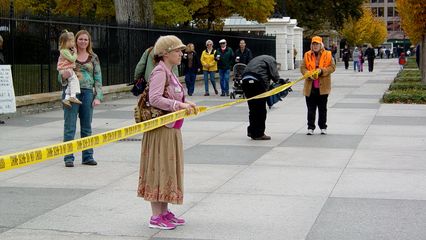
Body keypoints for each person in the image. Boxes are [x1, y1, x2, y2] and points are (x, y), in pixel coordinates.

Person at [137, 35, 197, 230]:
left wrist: (185, 103)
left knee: (168, 169)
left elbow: (171, 96)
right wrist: (177, 104)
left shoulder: (170, 72)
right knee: (158, 168)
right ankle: (156, 217)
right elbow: (154, 99)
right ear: (165, 53)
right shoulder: (159, 72)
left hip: (171, 129)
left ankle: (164, 212)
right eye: (177, 50)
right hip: (160, 132)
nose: (181, 53)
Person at [59, 30, 103, 168]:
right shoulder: (68, 54)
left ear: (89, 42)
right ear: (75, 40)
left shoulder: (94, 57)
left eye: (86, 39)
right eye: (80, 39)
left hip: (88, 93)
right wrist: (63, 76)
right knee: (69, 126)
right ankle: (68, 157)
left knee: (86, 127)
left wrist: (98, 96)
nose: (83, 42)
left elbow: (98, 77)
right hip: (71, 93)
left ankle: (88, 156)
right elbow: (60, 74)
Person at [300, 36, 336, 135]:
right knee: (311, 108)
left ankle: (323, 127)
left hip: (323, 86)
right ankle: (310, 127)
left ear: (321, 45)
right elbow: (302, 68)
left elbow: (332, 67)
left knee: (322, 108)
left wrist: (322, 71)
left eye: (317, 44)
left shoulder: (328, 54)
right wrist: (308, 73)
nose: (315, 46)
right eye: (313, 44)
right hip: (310, 86)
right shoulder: (307, 54)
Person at [241, 55, 281, 140]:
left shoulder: (258, 59)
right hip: (257, 82)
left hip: (245, 80)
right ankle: (259, 133)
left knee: (252, 109)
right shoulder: (271, 60)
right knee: (261, 109)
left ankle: (252, 131)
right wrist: (280, 81)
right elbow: (275, 76)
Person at [57, 30, 82, 108]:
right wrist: (75, 53)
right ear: (65, 42)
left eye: (73, 41)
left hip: (67, 69)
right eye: (71, 41)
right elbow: (72, 59)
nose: (73, 43)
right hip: (65, 69)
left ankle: (67, 98)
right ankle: (73, 96)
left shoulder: (66, 50)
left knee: (71, 83)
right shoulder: (64, 51)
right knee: (74, 80)